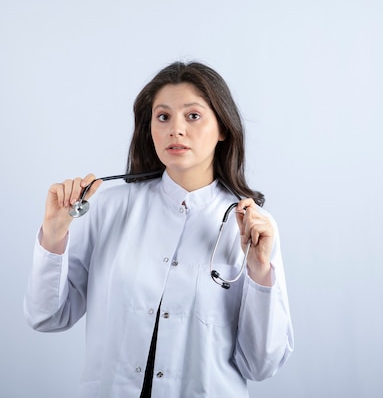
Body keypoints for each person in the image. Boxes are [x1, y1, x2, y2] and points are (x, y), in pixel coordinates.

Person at [24, 61, 294, 397]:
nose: (175, 129)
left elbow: (261, 365)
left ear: (223, 127)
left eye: (192, 116)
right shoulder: (109, 208)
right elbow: (46, 316)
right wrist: (53, 238)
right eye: (163, 116)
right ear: (148, 127)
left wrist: (258, 270)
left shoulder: (252, 227)